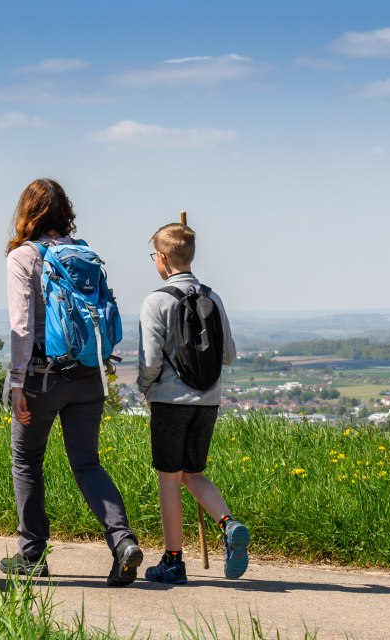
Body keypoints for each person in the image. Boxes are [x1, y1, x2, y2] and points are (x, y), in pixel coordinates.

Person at [1, 178, 143, 586]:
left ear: (27, 212)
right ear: (65, 212)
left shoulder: (23, 256)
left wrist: (16, 383)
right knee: (87, 462)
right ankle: (122, 541)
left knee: (27, 462)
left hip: (42, 377)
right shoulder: (85, 253)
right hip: (89, 375)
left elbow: (21, 325)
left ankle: (31, 554)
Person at [138, 222, 248, 584]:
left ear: (163, 259)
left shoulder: (156, 300)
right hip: (208, 401)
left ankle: (173, 560)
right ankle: (228, 524)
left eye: (155, 255)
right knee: (193, 474)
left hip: (170, 401)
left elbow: (151, 360)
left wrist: (145, 387)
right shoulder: (213, 298)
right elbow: (228, 354)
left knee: (169, 480)